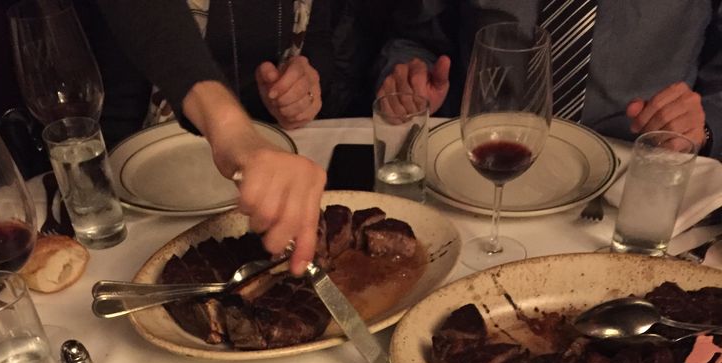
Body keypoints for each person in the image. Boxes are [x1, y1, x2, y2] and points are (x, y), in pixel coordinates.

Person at [94, 0, 330, 272]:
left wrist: (301, 87)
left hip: (266, 160)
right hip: (132, 179)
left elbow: (318, 39)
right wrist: (231, 128)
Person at [376, 1, 722, 157]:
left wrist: (702, 129)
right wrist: (412, 78)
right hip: (484, 167)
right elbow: (416, 40)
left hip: (635, 179)